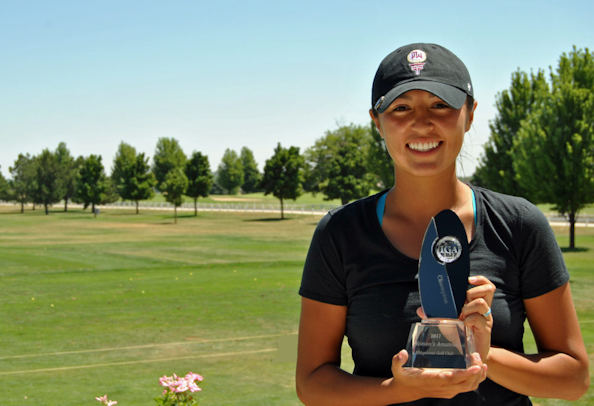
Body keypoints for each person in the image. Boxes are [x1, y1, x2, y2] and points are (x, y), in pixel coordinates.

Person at [295, 43, 589, 405]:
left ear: (469, 113)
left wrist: (485, 355)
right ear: (377, 121)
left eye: (440, 105)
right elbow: (312, 383)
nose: (421, 122)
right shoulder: (340, 233)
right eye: (401, 108)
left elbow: (573, 380)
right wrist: (397, 390)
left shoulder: (518, 224)